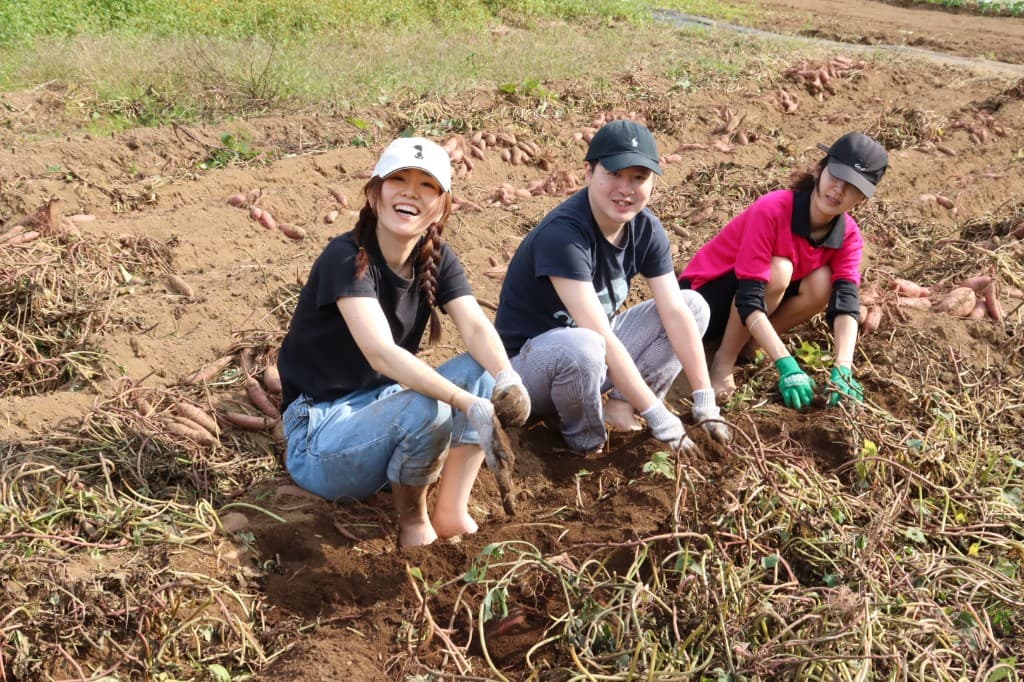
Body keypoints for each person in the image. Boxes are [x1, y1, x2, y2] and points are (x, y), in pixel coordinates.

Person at [276, 136, 530, 548]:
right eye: (399, 179)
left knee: (480, 369)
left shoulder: (437, 258)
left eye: (427, 185)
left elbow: (477, 327)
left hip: (379, 413)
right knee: (428, 404)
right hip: (320, 437)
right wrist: (466, 404)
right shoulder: (345, 258)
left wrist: (507, 378)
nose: (411, 191)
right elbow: (382, 352)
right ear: (375, 194)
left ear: (442, 206)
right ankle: (413, 524)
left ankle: (450, 510)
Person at [494, 119, 731, 456]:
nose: (626, 189)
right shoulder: (564, 235)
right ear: (589, 173)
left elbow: (675, 312)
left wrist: (705, 401)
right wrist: (658, 415)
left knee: (693, 306)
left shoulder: (646, 229)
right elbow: (598, 335)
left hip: (593, 356)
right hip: (531, 369)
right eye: (614, 174)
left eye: (639, 178)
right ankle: (584, 442)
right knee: (585, 346)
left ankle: (620, 406)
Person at [677, 131, 889, 409]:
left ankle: (748, 343)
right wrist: (785, 361)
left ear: (861, 200)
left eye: (852, 187)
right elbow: (749, 296)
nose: (838, 190)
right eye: (835, 176)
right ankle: (723, 361)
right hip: (703, 302)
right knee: (779, 270)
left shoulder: (849, 236)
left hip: (752, 309)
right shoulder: (773, 209)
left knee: (823, 283)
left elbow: (846, 301)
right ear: (818, 170)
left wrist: (843, 367)